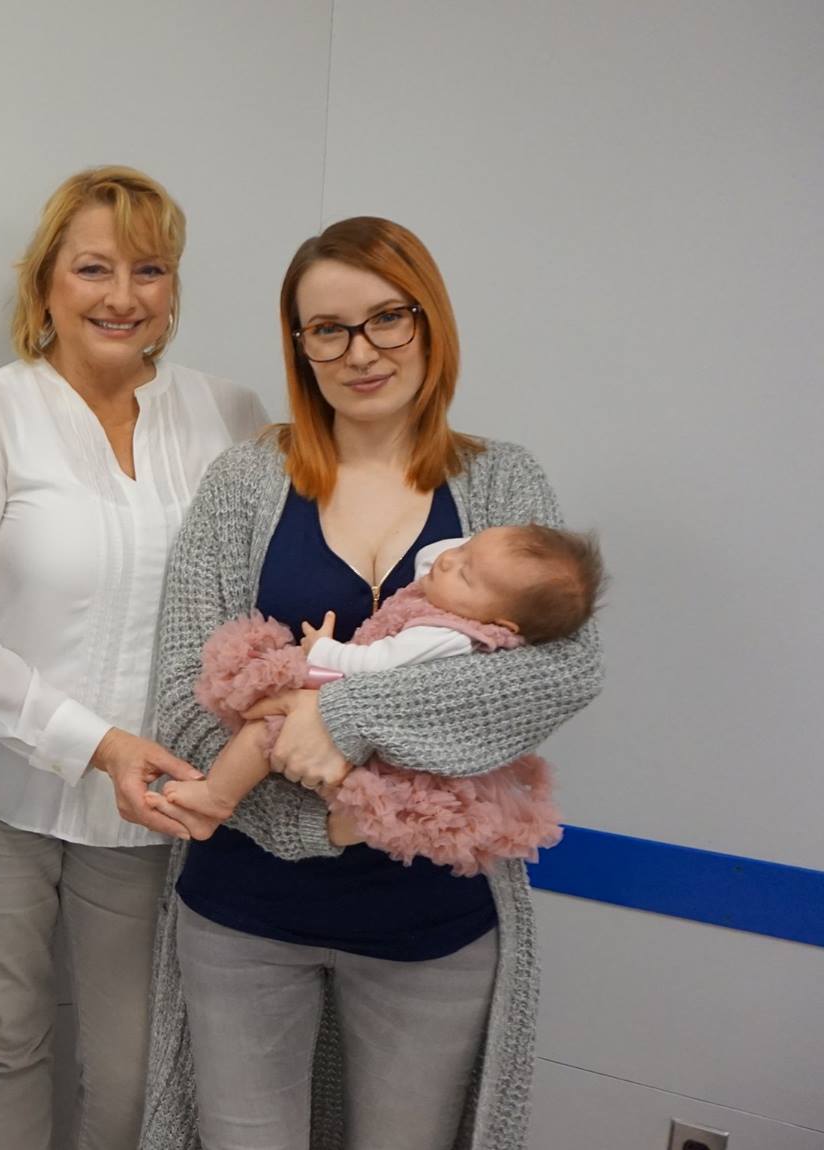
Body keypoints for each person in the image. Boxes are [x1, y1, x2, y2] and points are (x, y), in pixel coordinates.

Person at [137, 216, 604, 1150]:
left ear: (431, 321)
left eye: (388, 318)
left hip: (431, 927)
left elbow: (559, 674)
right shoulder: (244, 484)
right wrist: (324, 824)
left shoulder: (503, 483)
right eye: (329, 329)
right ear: (300, 346)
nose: (361, 352)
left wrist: (342, 716)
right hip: (245, 916)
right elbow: (185, 704)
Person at [0, 165, 264, 1150]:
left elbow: (251, 610)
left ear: (174, 288)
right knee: (3, 1042)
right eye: (94, 268)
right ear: (45, 284)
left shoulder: (232, 415)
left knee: (132, 1064)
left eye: (149, 270)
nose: (122, 295)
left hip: (149, 806)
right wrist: (100, 746)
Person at [163, 524, 604, 857]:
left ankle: (216, 798)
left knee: (264, 727)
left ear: (501, 622)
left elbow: (376, 663)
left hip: (359, 702)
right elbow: (434, 559)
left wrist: (323, 652)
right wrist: (470, 556)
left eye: (466, 574)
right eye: (462, 549)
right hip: (360, 716)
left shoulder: (444, 633)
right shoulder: (463, 598)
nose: (446, 561)